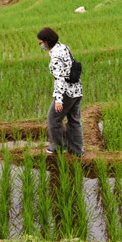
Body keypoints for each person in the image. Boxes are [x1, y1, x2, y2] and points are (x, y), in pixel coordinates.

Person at [37, 27, 84, 156]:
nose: (40, 45)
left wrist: (59, 100)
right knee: (74, 120)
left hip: (66, 93)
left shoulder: (56, 56)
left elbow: (59, 79)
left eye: (40, 43)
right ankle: (77, 151)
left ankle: (57, 147)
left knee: (53, 118)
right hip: (77, 89)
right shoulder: (63, 47)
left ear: (47, 41)